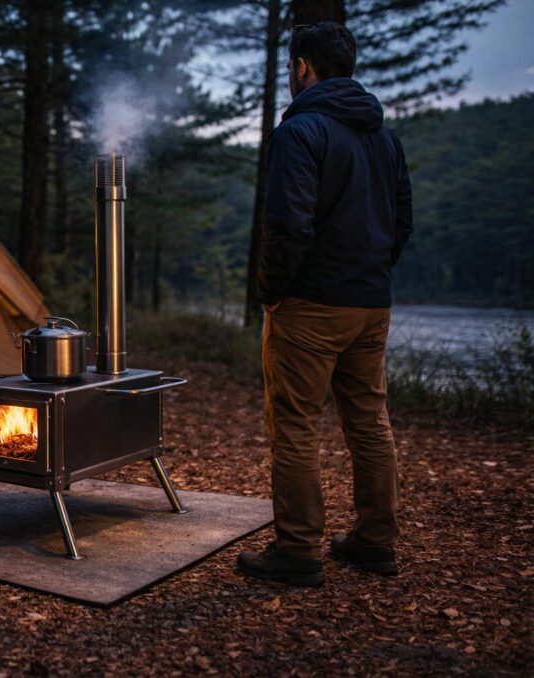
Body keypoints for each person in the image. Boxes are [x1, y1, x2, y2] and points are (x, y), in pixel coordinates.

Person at [236, 21, 413, 587]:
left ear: (302, 67)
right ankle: (375, 542)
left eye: (292, 67)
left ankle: (298, 550)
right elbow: (402, 222)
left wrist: (272, 292)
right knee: (369, 423)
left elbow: (288, 224)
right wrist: (371, 275)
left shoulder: (300, 131)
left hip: (311, 304)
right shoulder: (384, 138)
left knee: (296, 426)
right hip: (370, 303)